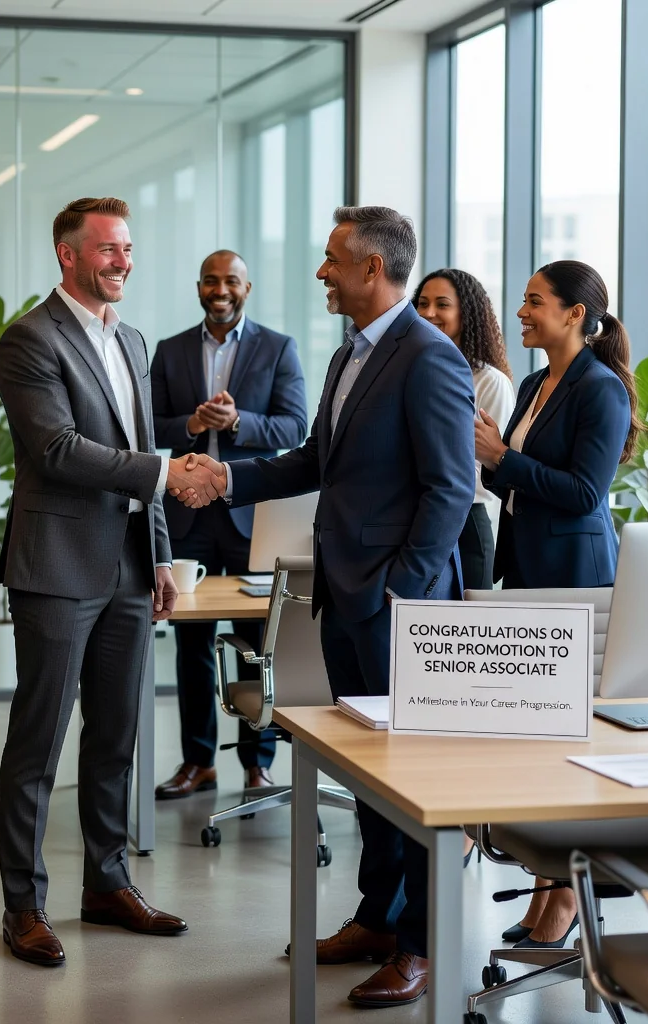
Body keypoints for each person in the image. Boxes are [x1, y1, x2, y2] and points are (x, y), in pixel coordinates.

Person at [173, 206, 476, 1007]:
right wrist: (228, 478)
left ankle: (419, 944)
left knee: (407, 781)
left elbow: (450, 489)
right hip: (342, 596)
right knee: (367, 777)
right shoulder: (353, 355)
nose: (322, 273)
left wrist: (399, 592)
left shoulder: (428, 358)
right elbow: (317, 459)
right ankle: (379, 917)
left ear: (373, 268)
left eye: (333, 260)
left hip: (393, 607)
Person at [0, 196, 215, 968]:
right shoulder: (30, 338)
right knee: (39, 740)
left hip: (125, 563)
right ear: (68, 256)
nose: (123, 261)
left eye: (127, 249)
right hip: (56, 566)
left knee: (117, 734)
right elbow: (55, 449)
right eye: (108, 250)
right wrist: (167, 472)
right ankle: (23, 905)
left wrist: (157, 554)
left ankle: (106, 883)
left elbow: (141, 448)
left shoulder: (133, 339)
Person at [475, 260, 639, 950]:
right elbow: (513, 471)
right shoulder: (540, 383)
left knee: (565, 744)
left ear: (576, 314)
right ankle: (549, 888)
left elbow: (582, 493)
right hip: (530, 575)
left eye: (535, 302)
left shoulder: (600, 390)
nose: (522, 311)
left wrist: (500, 458)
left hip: (575, 579)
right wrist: (481, 452)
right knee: (538, 741)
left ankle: (566, 897)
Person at [151, 250, 307, 799]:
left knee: (256, 640)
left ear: (248, 287)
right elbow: (146, 423)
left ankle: (256, 763)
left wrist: (239, 421)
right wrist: (191, 422)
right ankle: (198, 762)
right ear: (199, 288)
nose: (221, 290)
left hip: (248, 516)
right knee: (190, 643)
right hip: (187, 511)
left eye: (232, 281)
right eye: (212, 281)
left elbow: (296, 426)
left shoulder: (278, 348)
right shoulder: (170, 351)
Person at [414, 269, 514, 591]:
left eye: (442, 304)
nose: (429, 312)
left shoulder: (489, 381)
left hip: (467, 522)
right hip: (415, 518)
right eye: (422, 303)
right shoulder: (411, 372)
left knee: (469, 632)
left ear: (465, 313)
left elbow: (490, 462)